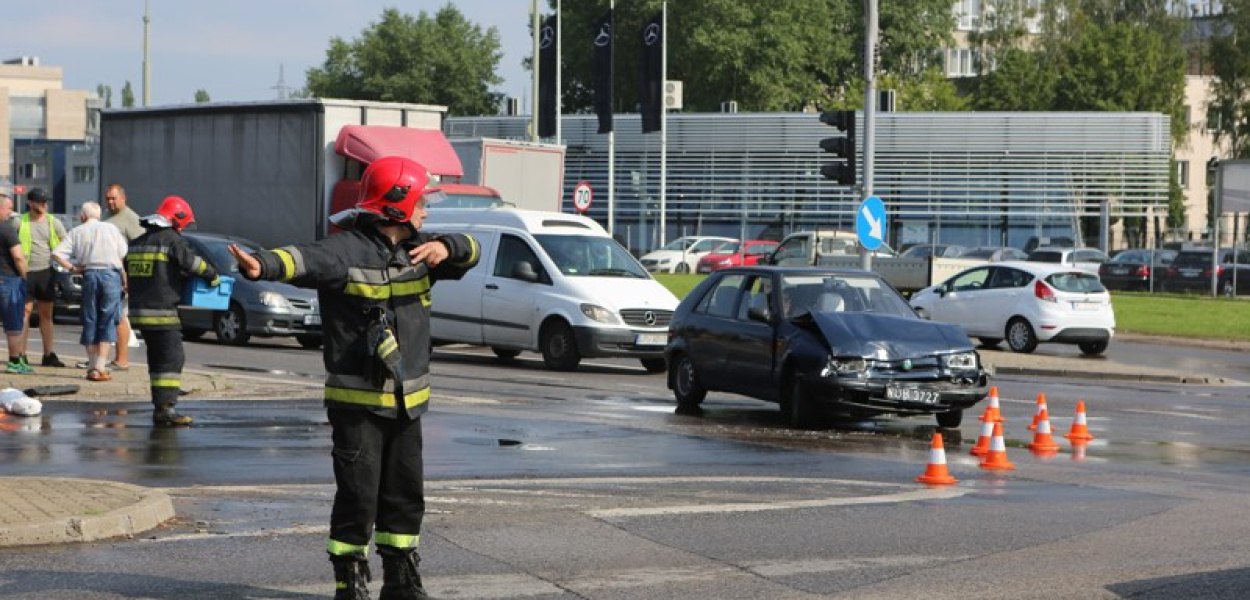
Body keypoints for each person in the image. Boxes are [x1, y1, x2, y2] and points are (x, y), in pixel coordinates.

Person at [228, 156, 479, 600]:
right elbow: (302, 259)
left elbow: (472, 250)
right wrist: (261, 266)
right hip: (358, 404)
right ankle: (350, 581)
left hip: (407, 403)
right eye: (422, 201)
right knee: (358, 497)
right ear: (397, 207)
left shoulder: (421, 251)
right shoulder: (344, 252)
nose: (428, 210)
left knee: (405, 496)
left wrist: (449, 247)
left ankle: (401, 580)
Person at [125, 195, 219, 426]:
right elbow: (192, 263)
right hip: (162, 313)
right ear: (177, 219)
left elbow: (148, 271)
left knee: (157, 359)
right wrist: (213, 275)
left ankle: (161, 406)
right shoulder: (171, 241)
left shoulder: (137, 242)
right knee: (171, 359)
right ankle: (166, 410)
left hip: (140, 313)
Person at [52, 202, 128, 382]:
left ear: (82, 216)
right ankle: (101, 367)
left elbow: (56, 253)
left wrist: (73, 267)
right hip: (110, 275)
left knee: (90, 318)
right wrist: (124, 280)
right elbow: (122, 254)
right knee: (108, 318)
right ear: (99, 215)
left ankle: (92, 365)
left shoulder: (77, 231)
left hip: (89, 274)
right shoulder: (111, 228)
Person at [17, 187, 68, 368]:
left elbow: (66, 242)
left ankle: (48, 354)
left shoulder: (53, 222)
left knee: (46, 315)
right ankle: (20, 354)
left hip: (46, 272)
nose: (44, 205)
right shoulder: (20, 221)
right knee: (24, 314)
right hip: (25, 272)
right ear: (30, 202)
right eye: (40, 201)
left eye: (45, 202)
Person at [104, 183, 144, 370]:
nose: (110, 202)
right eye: (108, 199)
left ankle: (122, 359)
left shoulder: (130, 218)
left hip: (121, 276)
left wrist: (129, 278)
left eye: (113, 198)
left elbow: (139, 248)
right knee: (108, 316)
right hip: (106, 273)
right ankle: (101, 358)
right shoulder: (106, 216)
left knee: (120, 316)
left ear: (123, 198)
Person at [0, 194, 30, 373]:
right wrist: (23, 275)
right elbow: (18, 256)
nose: (10, 212)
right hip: (8, 278)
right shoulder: (7, 229)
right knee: (14, 324)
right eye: (8, 208)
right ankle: (14, 361)